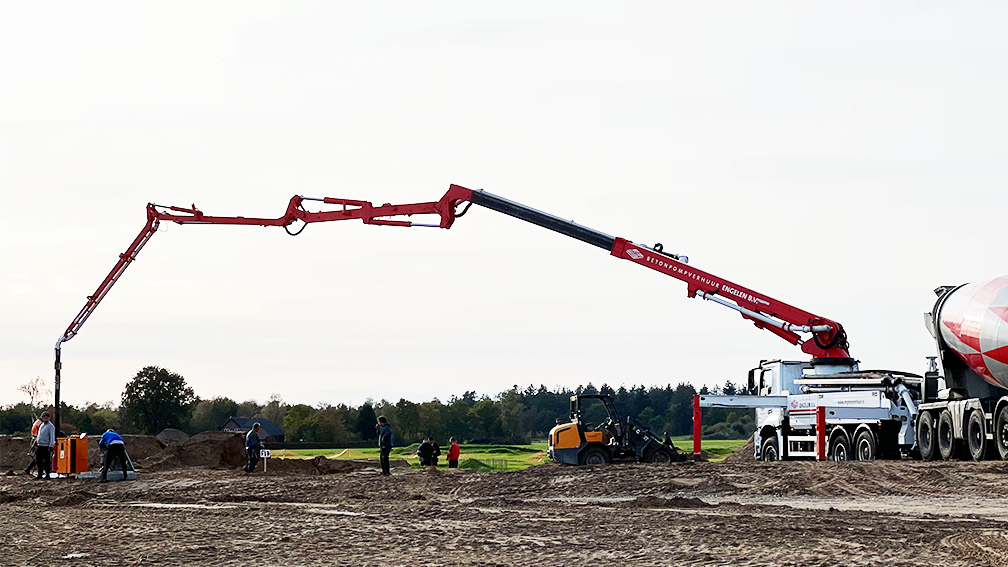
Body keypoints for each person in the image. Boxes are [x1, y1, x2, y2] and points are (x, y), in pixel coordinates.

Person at [35, 412, 55, 480]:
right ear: (42, 418)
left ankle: (47, 474)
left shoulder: (51, 426)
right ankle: (40, 474)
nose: (46, 419)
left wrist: (51, 445)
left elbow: (52, 436)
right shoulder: (42, 425)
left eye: (47, 418)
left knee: (46, 461)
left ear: (49, 418)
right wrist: (36, 441)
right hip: (40, 445)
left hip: (46, 446)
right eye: (44, 418)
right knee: (38, 460)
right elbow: (39, 434)